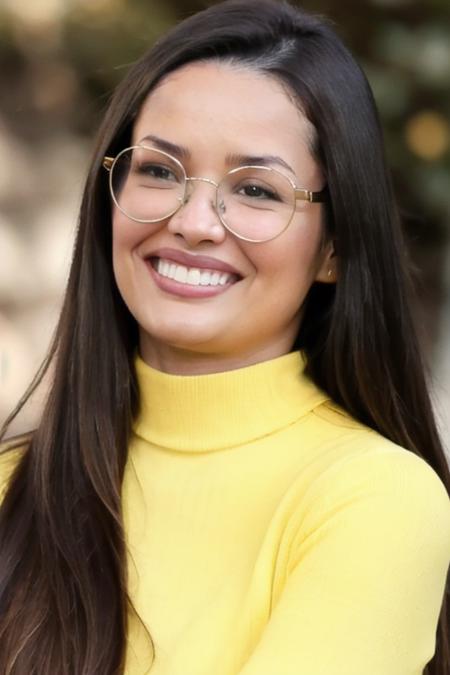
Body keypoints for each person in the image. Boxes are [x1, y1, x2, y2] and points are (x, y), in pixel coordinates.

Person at [1, 0, 449, 673]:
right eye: (158, 170)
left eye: (258, 190)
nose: (195, 221)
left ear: (334, 249)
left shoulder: (375, 500)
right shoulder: (14, 483)